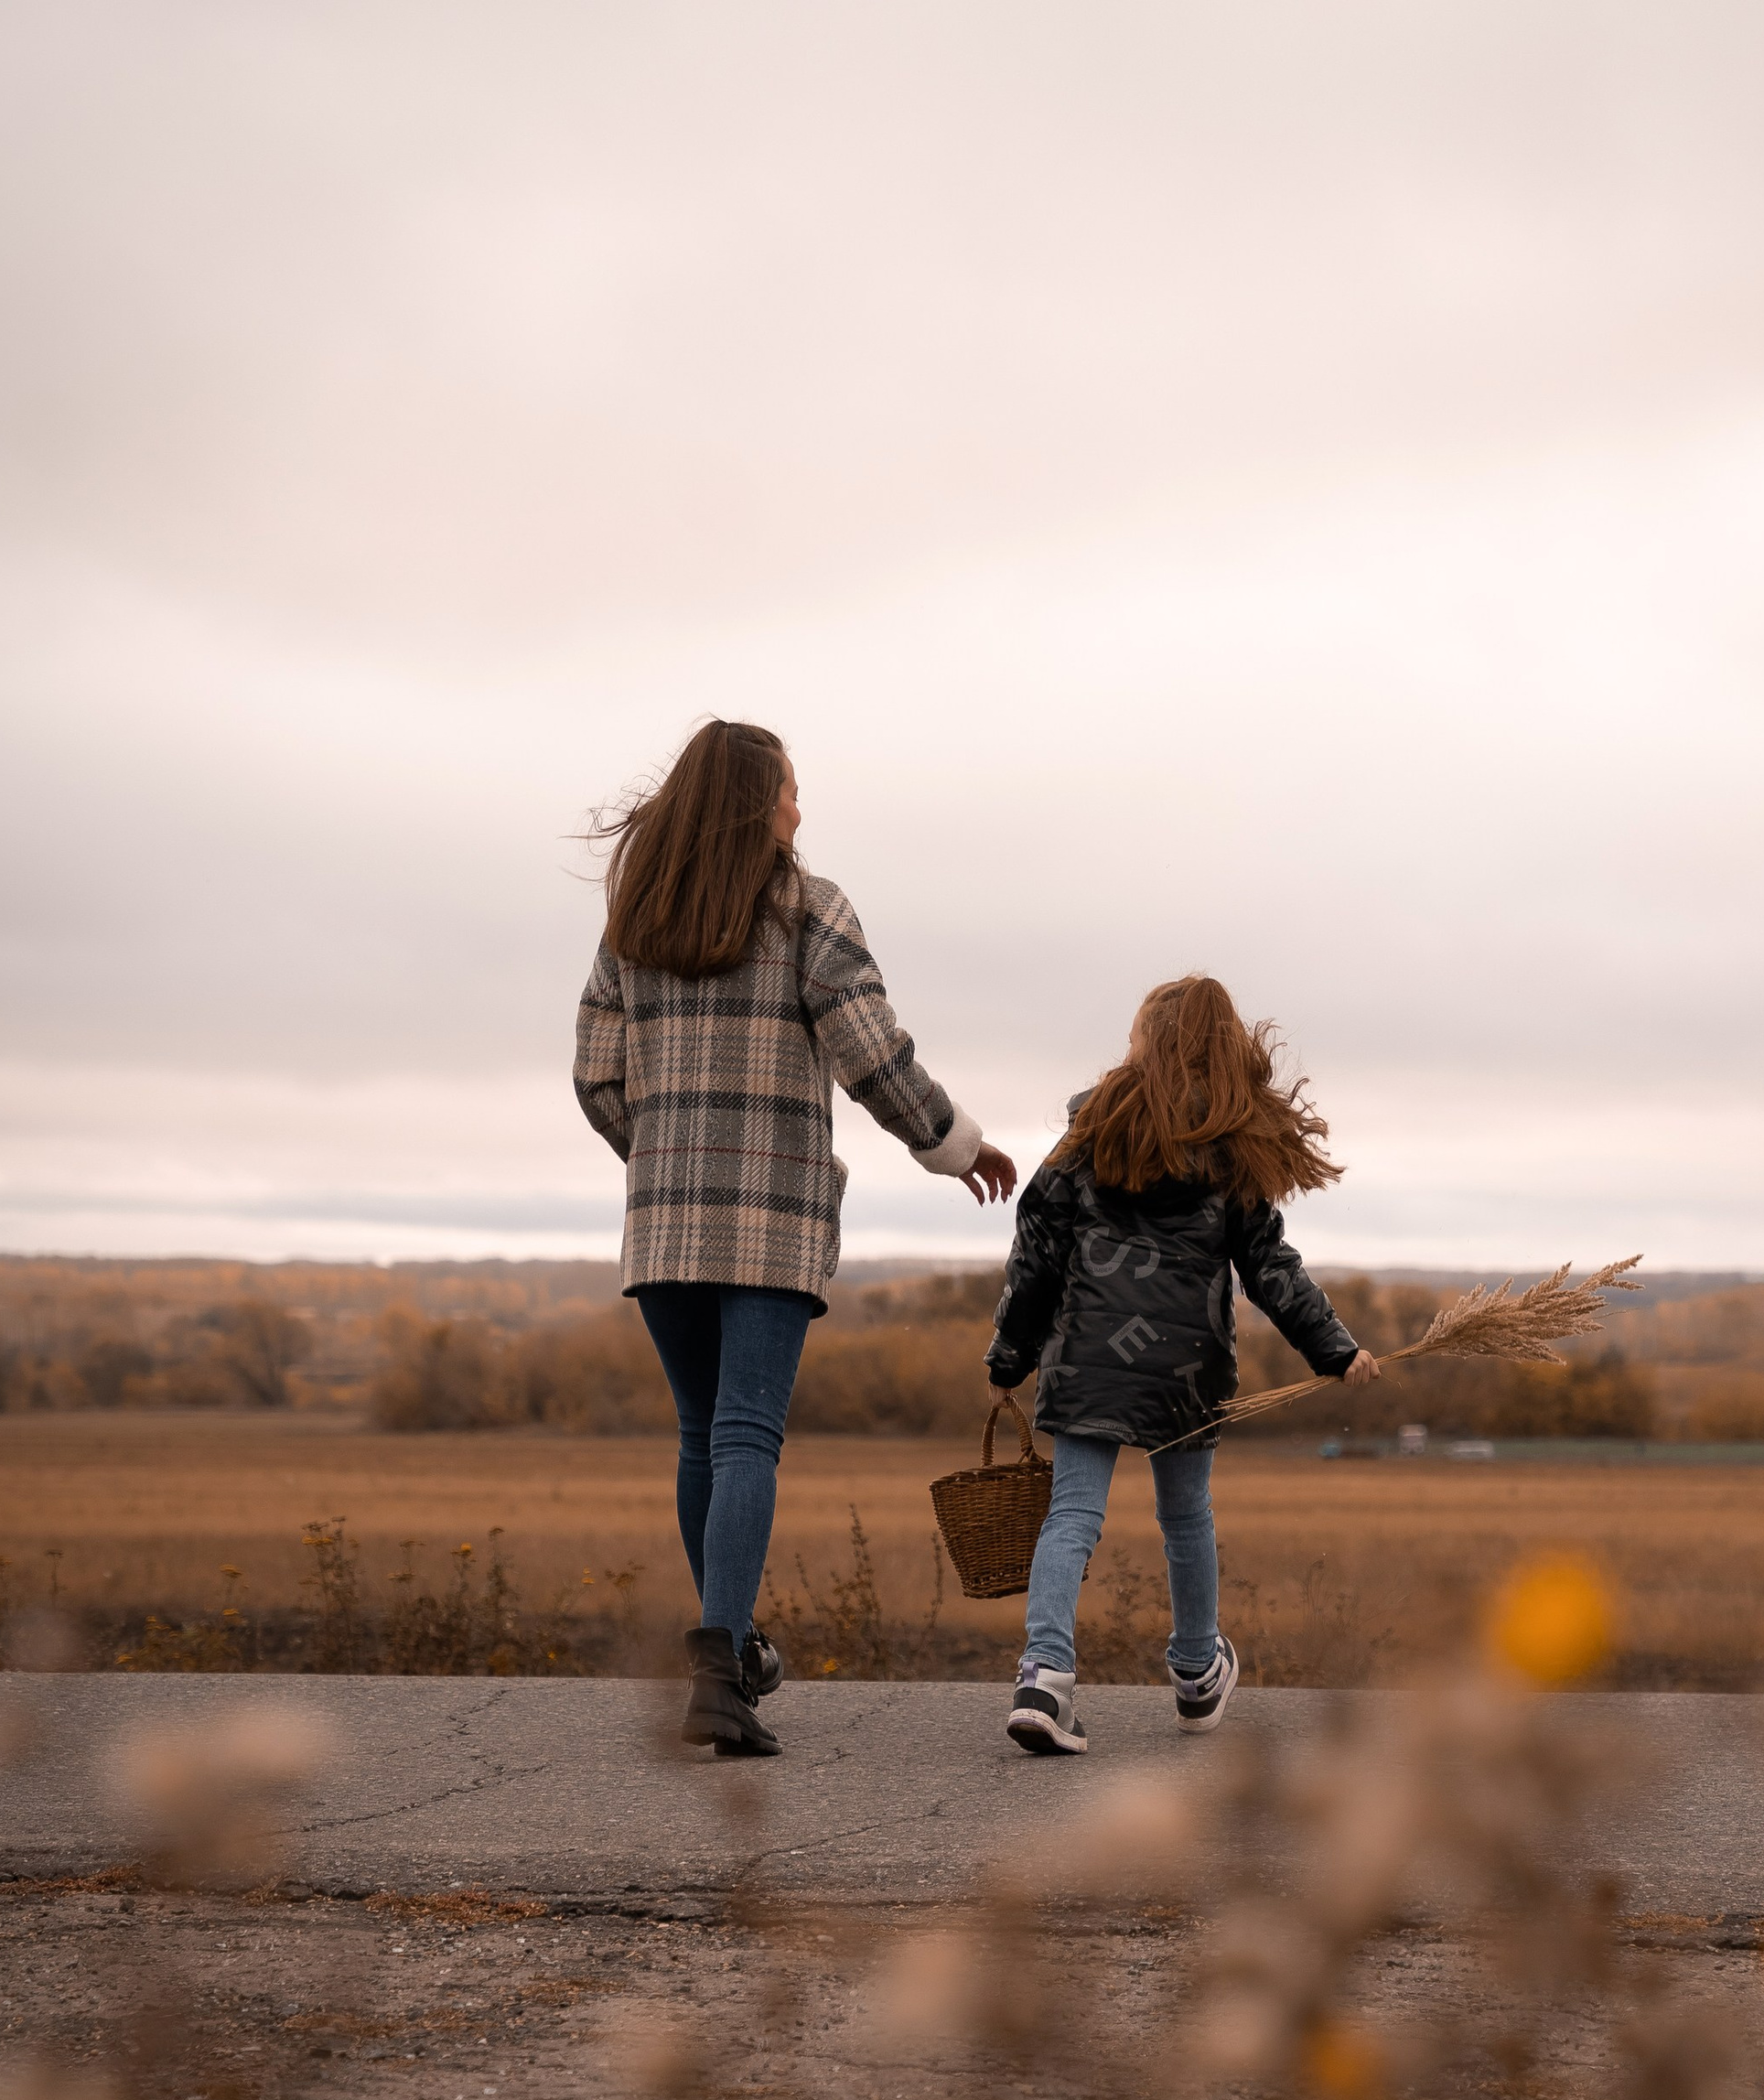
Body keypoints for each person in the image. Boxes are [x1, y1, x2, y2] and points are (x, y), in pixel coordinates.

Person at [575, 720, 1016, 1756]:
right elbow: (869, 1048)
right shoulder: (808, 910)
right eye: (788, 792)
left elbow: (597, 1077)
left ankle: (730, 1648)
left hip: (664, 1223)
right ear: (751, 804)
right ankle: (722, 1666)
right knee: (744, 1437)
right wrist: (952, 1143)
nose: (799, 811)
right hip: (769, 1222)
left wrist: (664, 1158)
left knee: (702, 1438)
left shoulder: (632, 925)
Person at [984, 975, 1381, 1754]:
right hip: (1184, 1368)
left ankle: (1045, 1676)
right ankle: (1198, 1673)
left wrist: (1010, 1354)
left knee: (1072, 1516)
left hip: (1088, 1359)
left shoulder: (1086, 1136)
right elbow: (1271, 1267)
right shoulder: (1229, 1152)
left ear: (1148, 1045)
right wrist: (1334, 1349)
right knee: (1185, 1518)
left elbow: (1036, 1250)